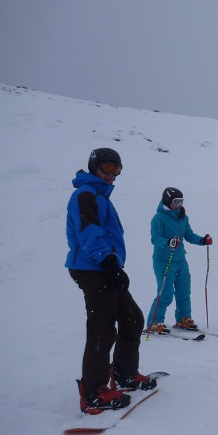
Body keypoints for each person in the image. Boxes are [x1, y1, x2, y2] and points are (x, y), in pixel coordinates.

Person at [66, 148, 157, 414]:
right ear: (94, 167)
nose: (111, 175)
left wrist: (113, 264)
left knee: (132, 318)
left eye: (116, 170)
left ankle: (125, 374)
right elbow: (89, 231)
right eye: (107, 168)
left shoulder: (100, 196)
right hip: (92, 268)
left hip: (105, 267)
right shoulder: (85, 194)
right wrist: (107, 261)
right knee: (103, 329)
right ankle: (93, 392)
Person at [146, 187, 213, 333]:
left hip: (180, 260)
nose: (179, 205)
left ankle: (183, 318)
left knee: (184, 290)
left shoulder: (182, 217)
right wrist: (168, 242)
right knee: (165, 292)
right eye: (176, 202)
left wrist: (202, 240)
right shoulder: (158, 218)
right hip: (164, 260)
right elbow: (155, 238)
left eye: (181, 202)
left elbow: (189, 235)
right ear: (167, 201)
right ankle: (154, 322)